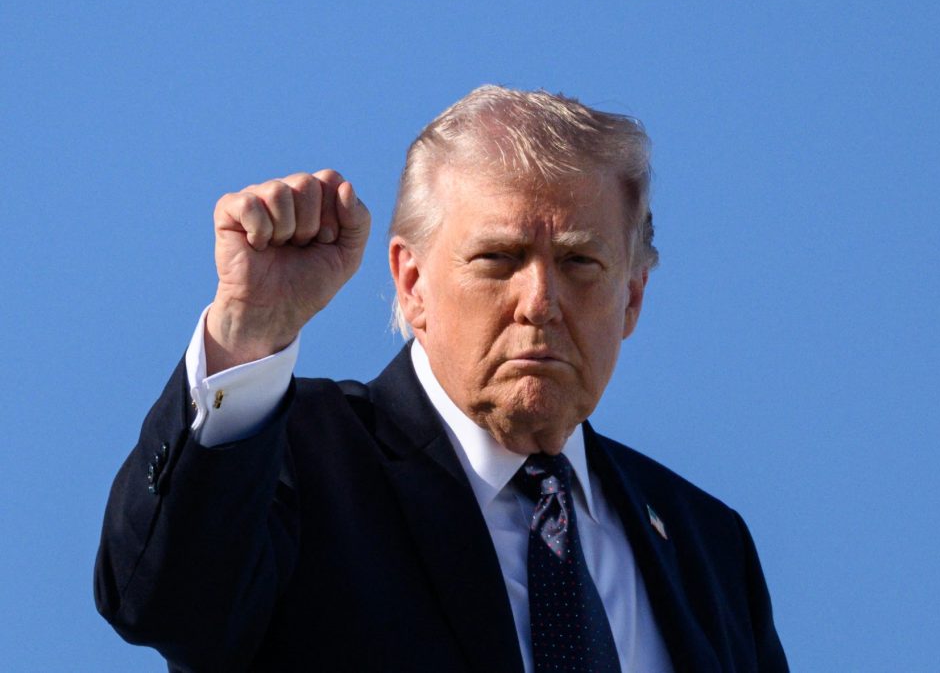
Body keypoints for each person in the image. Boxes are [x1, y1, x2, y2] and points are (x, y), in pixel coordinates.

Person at [95, 85, 788, 672]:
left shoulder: (709, 546)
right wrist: (249, 330)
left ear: (632, 297)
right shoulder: (296, 457)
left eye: (580, 263)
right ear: (412, 282)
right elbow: (168, 601)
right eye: (498, 257)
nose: (539, 300)